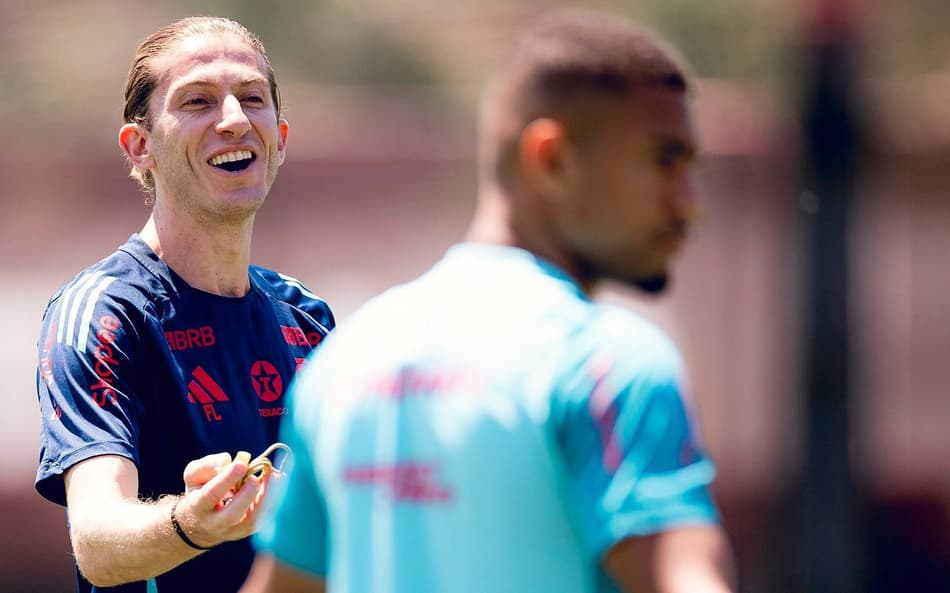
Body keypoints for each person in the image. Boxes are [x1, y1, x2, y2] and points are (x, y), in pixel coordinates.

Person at [244, 8, 735, 593]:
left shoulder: (344, 361)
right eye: (665, 160)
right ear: (551, 159)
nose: (690, 203)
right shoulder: (606, 365)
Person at [34, 16, 335, 593]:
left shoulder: (309, 318)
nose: (234, 120)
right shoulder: (102, 312)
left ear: (281, 139)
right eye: (197, 101)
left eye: (252, 98)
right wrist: (192, 523)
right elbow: (97, 542)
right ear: (140, 146)